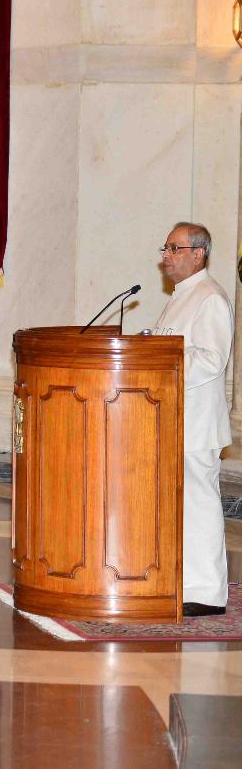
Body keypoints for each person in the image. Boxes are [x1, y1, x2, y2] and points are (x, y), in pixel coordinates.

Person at [154, 223, 233, 617]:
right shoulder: (181, 296)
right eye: (166, 248)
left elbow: (212, 359)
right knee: (181, 506)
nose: (165, 257)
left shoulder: (210, 298)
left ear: (198, 254)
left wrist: (161, 359)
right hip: (174, 419)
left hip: (197, 424)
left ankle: (206, 593)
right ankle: (182, 581)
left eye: (174, 249)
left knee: (200, 505)